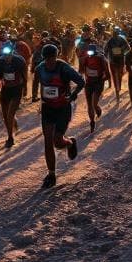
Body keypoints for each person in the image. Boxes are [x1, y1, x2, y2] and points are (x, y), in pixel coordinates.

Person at [34, 44, 85, 188]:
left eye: (52, 58)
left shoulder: (64, 68)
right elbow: (38, 84)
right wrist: (35, 97)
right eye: (46, 59)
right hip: (48, 108)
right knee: (48, 141)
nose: (49, 61)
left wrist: (72, 96)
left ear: (56, 56)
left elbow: (81, 82)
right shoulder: (40, 68)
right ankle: (51, 174)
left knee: (57, 141)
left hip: (63, 108)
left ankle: (69, 142)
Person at [0, 41, 28, 148]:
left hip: (17, 90)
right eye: (5, 54)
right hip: (5, 90)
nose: (7, 57)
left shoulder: (20, 61)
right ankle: (13, 123)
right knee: (5, 115)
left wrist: (25, 88)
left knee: (10, 114)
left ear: (13, 52)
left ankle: (10, 138)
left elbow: (24, 75)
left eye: (9, 54)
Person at [79, 43, 110, 132]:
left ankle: (97, 109)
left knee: (94, 103)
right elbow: (81, 71)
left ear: (95, 52)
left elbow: (108, 75)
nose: (90, 54)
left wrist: (102, 80)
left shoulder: (101, 59)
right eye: (88, 52)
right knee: (89, 104)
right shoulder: (84, 59)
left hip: (98, 83)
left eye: (91, 52)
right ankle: (92, 122)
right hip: (88, 83)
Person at [104, 30, 129, 103]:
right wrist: (106, 58)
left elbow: (128, 48)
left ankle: (119, 88)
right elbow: (105, 51)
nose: (115, 35)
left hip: (120, 60)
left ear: (118, 34)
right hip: (113, 61)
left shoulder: (122, 40)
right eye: (114, 34)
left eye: (116, 34)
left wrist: (122, 51)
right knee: (115, 76)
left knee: (120, 75)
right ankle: (117, 90)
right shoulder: (110, 41)